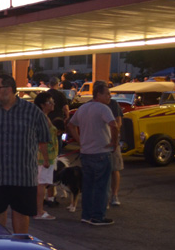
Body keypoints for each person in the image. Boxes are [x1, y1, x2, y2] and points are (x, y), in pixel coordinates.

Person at [0, 74, 52, 234]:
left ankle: (20, 246)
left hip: (23, 176)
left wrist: (46, 159)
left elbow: (44, 139)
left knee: (21, 214)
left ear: (9, 89)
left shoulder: (32, 112)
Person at [68, 81, 118, 226]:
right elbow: (114, 125)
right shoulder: (103, 108)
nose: (109, 96)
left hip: (86, 153)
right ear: (98, 94)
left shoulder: (83, 108)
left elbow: (71, 125)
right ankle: (97, 216)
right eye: (107, 93)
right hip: (101, 152)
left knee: (88, 186)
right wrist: (114, 142)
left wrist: (80, 140)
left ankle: (86, 215)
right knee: (101, 186)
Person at [33, 92, 58, 220]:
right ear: (42, 105)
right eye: (50, 102)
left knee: (41, 183)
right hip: (43, 156)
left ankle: (37, 209)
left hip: (46, 154)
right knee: (41, 183)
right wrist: (46, 159)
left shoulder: (42, 117)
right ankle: (39, 211)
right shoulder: (42, 118)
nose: (52, 104)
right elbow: (42, 140)